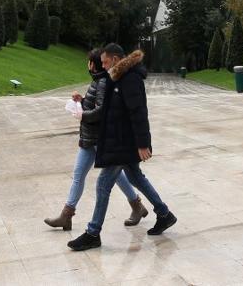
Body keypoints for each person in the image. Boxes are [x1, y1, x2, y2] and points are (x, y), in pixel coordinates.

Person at [68, 44, 176, 251]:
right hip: (119, 140)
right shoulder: (117, 78)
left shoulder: (130, 79)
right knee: (135, 177)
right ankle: (164, 214)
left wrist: (143, 144)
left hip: (124, 142)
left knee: (103, 184)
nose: (103, 66)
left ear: (116, 59)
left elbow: (138, 113)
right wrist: (82, 102)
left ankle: (93, 233)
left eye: (106, 62)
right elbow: (107, 109)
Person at [44, 48, 149, 230]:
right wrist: (82, 100)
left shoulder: (102, 82)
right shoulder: (99, 81)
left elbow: (102, 111)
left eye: (91, 62)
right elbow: (97, 104)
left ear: (93, 64)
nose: (90, 65)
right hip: (88, 139)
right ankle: (66, 215)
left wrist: (83, 115)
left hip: (98, 139)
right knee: (81, 175)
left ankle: (141, 206)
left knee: (118, 177)